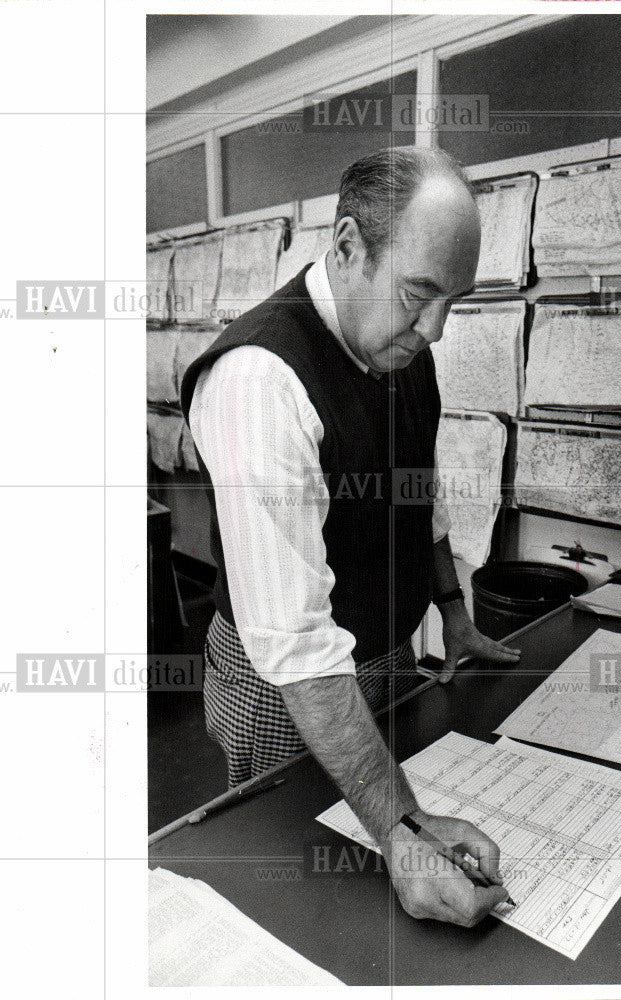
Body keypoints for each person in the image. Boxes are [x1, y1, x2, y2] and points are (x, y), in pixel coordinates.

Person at [181, 146, 521, 927]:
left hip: (385, 652)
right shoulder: (259, 380)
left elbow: (418, 493)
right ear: (344, 246)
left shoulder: (401, 344)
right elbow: (298, 649)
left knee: (387, 890)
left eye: (453, 302)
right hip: (283, 690)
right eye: (420, 294)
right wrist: (403, 832)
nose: (434, 328)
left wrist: (454, 614)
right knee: (304, 906)